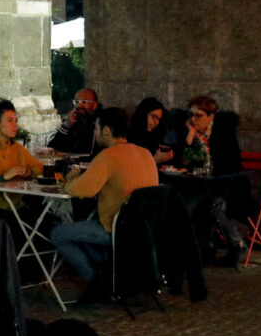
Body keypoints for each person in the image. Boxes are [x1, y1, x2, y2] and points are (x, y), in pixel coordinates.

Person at [49, 106, 158, 298]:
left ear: (106, 131)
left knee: (58, 233)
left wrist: (72, 176)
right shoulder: (146, 154)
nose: (94, 132)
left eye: (96, 127)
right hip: (144, 231)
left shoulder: (108, 156)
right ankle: (108, 276)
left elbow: (80, 191)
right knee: (87, 224)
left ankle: (97, 283)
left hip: (118, 229)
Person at [175, 95, 247, 263]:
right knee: (185, 207)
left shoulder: (223, 134)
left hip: (224, 186)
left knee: (215, 208)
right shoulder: (191, 133)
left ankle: (238, 245)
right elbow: (183, 160)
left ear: (211, 117)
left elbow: (232, 164)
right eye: (191, 115)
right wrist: (190, 136)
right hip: (196, 185)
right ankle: (202, 248)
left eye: (198, 116)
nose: (193, 119)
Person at [48, 88, 101, 155]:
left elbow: (85, 151)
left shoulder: (100, 124)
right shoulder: (75, 120)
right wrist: (66, 125)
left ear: (95, 106)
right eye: (76, 102)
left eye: (84, 102)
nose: (79, 105)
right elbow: (53, 147)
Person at [128, 97, 174, 164]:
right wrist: (155, 160)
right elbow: (133, 167)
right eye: (154, 117)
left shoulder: (153, 137)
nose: (157, 122)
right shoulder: (129, 137)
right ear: (143, 113)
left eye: (159, 119)